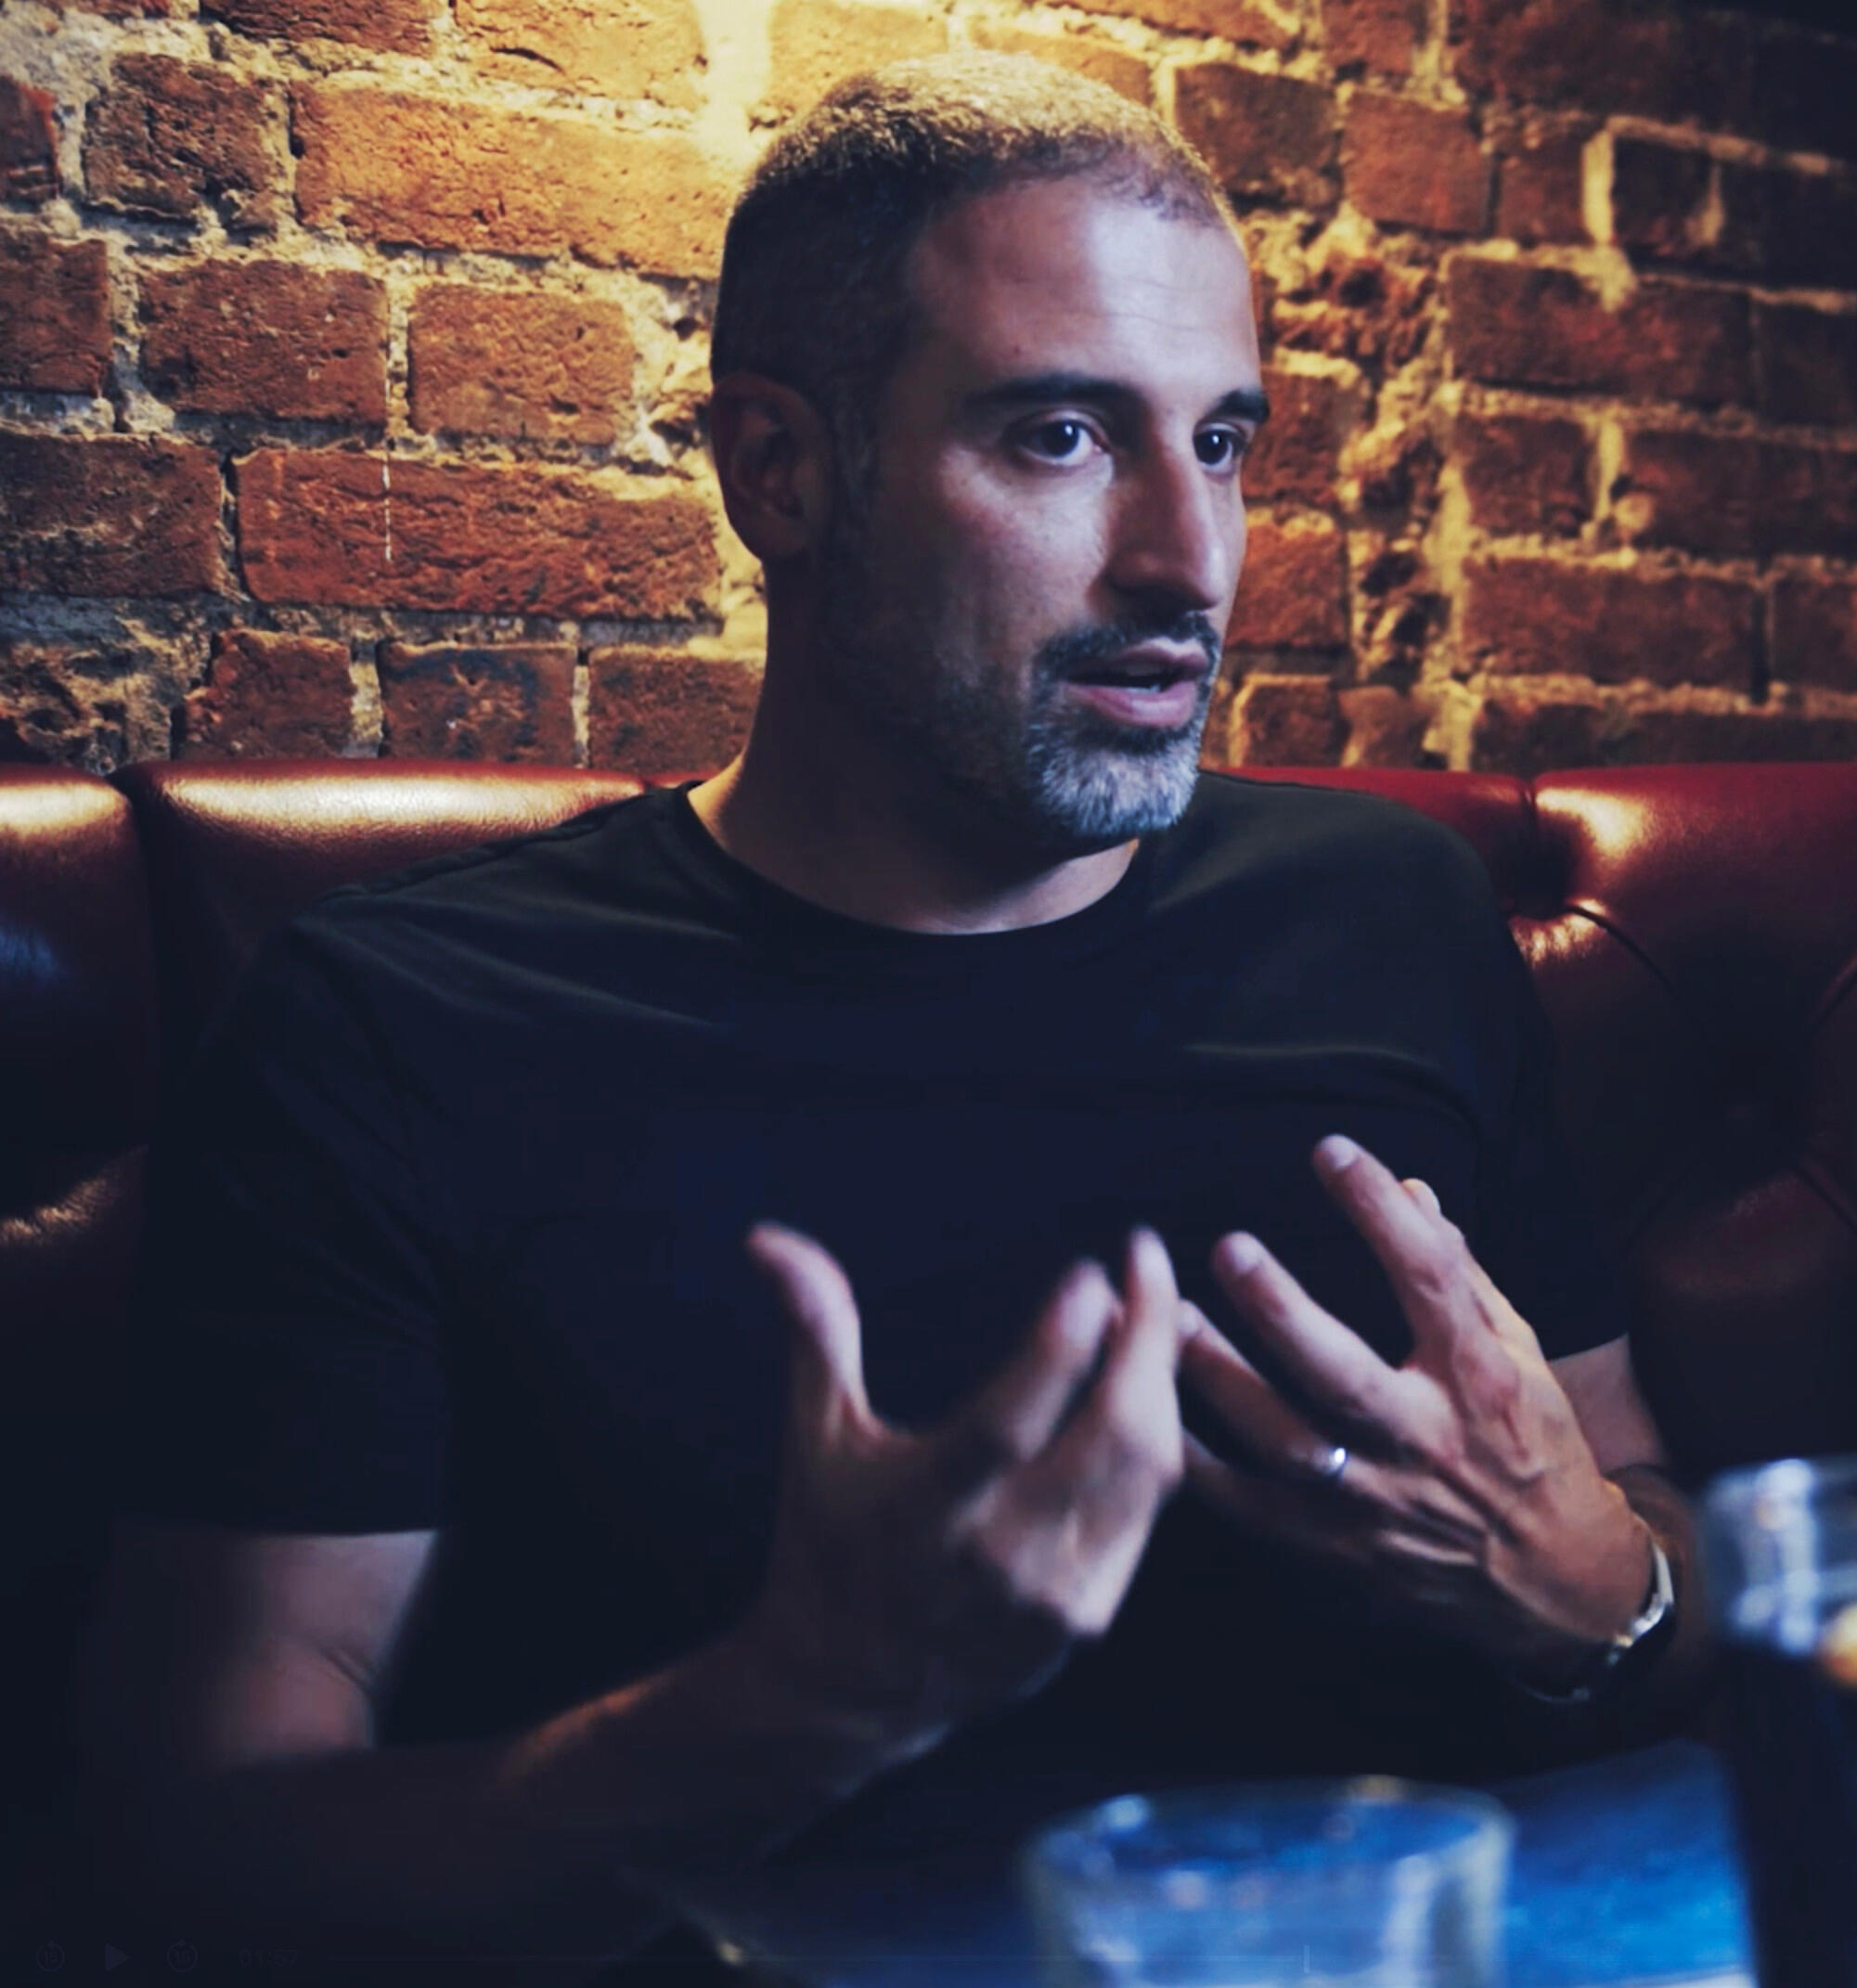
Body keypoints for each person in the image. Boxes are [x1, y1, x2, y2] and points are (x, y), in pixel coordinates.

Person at [84, 55, 1696, 1980]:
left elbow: (1630, 1507)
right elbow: (197, 1848)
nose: (1189, 564)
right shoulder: (402, 1024)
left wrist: (1589, 1583)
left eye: (1222, 444)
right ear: (779, 471)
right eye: (1061, 437)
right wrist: (784, 1709)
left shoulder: (1390, 913)